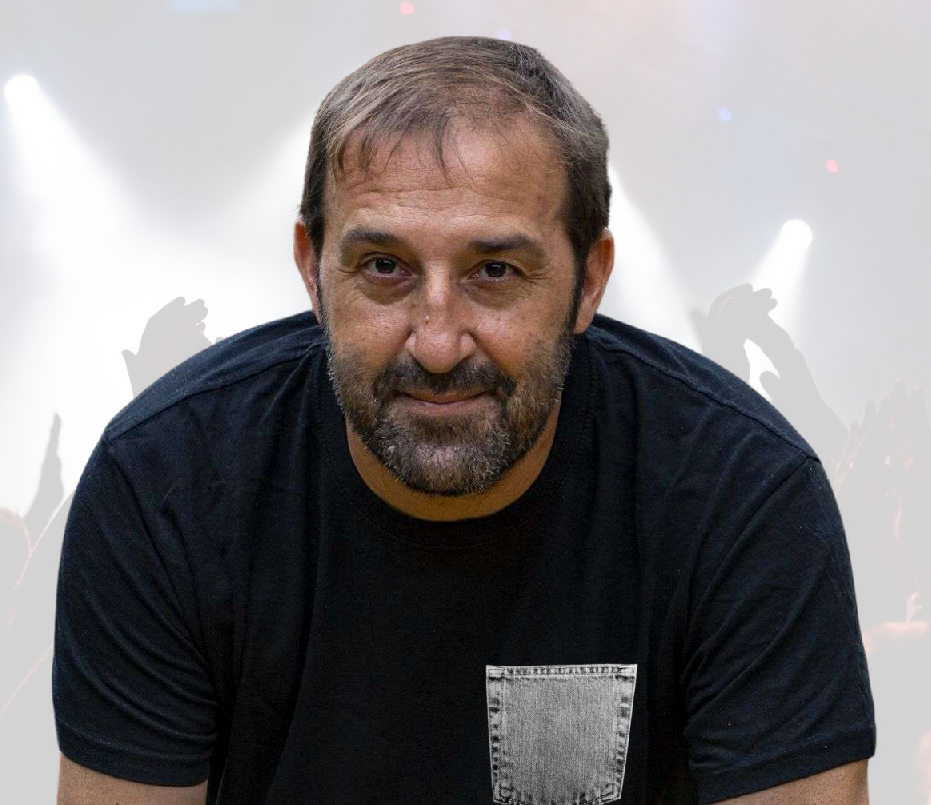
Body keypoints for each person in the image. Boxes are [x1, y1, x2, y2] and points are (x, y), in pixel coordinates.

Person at [52, 37, 875, 804]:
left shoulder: (741, 493)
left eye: (495, 270)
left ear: (589, 280)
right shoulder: (164, 483)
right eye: (384, 266)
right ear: (311, 270)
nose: (437, 342)